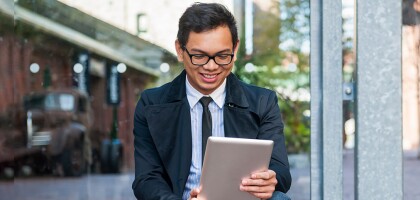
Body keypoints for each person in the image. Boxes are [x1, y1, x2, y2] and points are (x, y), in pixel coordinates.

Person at [132, 3, 291, 200]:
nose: (211, 67)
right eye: (199, 56)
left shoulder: (262, 102)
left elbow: (281, 171)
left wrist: (270, 180)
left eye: (222, 56)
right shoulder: (151, 104)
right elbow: (146, 180)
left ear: (235, 48)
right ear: (180, 51)